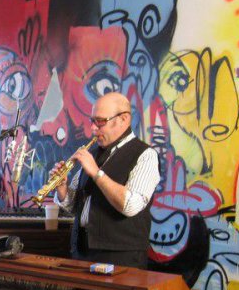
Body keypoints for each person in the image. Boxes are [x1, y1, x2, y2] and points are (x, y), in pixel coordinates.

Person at [51, 92, 159, 269]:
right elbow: (74, 207)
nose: (93, 129)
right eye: (92, 121)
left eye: (100, 121)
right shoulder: (93, 154)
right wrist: (62, 188)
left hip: (120, 257)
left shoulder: (145, 155)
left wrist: (96, 172)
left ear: (123, 119)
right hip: (82, 251)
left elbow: (130, 206)